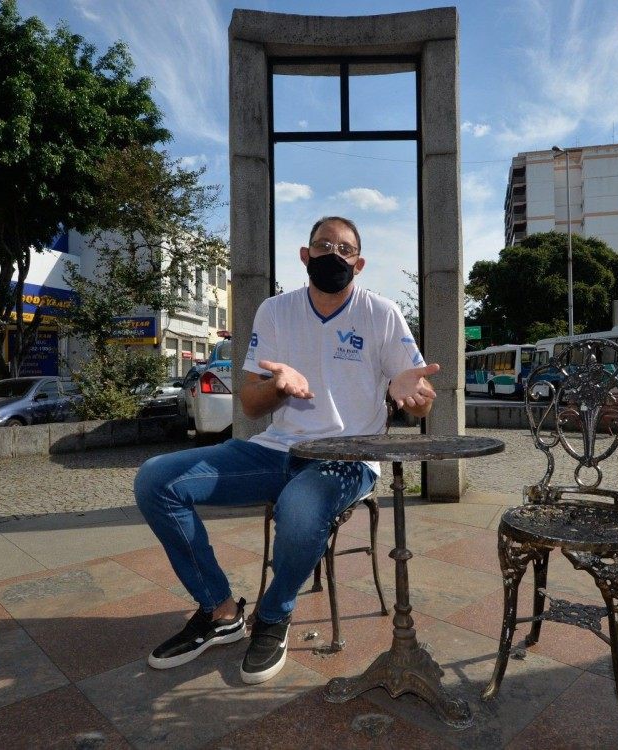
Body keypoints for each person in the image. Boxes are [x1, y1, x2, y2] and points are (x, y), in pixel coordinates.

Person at [133, 216, 439, 685]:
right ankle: (220, 610)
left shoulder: (381, 314)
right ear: (305, 255)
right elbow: (251, 402)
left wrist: (412, 397)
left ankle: (274, 614)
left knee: (298, 508)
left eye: (344, 249)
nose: (332, 255)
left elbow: (416, 398)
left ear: (358, 263)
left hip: (348, 456)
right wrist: (278, 385)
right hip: (275, 450)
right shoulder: (276, 311)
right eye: (323, 246)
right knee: (156, 479)